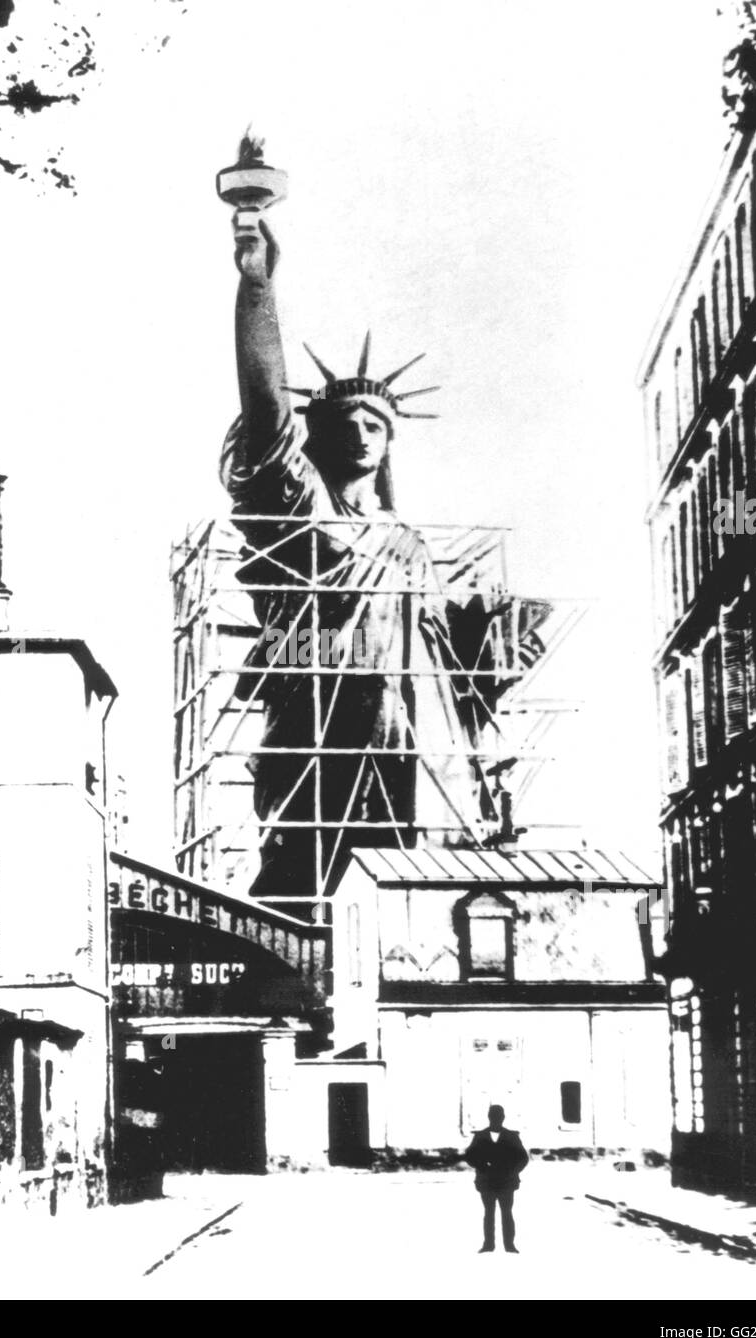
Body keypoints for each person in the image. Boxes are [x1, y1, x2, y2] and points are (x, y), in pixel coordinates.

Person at [220, 172, 548, 912]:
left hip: (419, 731)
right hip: (326, 718)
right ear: (317, 439)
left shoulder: (409, 545)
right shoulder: (304, 510)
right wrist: (257, 285)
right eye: (347, 426)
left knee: (431, 876)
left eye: (376, 427)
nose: (362, 437)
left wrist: (498, 640)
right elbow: (264, 402)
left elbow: (458, 670)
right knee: (313, 864)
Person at [464, 1103, 528, 1253]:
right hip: (486, 1182)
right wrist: (482, 1166)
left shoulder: (512, 1136)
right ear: (489, 1117)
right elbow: (469, 1156)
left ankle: (509, 1245)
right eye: (493, 1116)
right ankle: (488, 1245)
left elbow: (523, 1158)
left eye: (498, 1116)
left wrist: (512, 1171)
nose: (496, 1119)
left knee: (507, 1213)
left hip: (506, 1182)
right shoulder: (480, 1136)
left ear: (503, 1118)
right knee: (489, 1213)